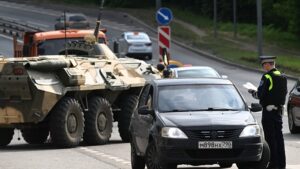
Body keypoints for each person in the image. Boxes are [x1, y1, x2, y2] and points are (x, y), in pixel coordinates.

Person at [248, 56, 287, 169]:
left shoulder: (267, 77)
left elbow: (260, 94)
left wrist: (253, 92)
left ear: (267, 64)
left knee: (270, 138)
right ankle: (281, 164)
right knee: (279, 139)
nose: (263, 67)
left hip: (269, 113)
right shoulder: (282, 76)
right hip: (278, 111)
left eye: (263, 64)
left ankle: (273, 164)